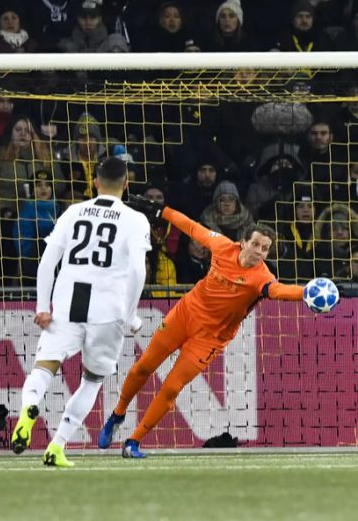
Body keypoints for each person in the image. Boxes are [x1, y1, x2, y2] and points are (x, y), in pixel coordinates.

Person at [98, 195, 306, 458]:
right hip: (184, 316)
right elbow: (191, 226)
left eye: (265, 249)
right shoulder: (221, 246)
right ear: (243, 242)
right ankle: (117, 414)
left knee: (172, 388)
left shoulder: (262, 278)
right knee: (144, 366)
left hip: (210, 339)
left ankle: (134, 441)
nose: (259, 252)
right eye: (255, 244)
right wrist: (163, 210)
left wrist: (306, 293)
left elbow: (278, 291)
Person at [10, 157, 150, 467]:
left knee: (44, 365)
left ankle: (30, 406)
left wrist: (42, 307)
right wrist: (130, 314)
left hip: (68, 301)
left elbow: (47, 263)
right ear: (126, 184)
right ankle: (57, 446)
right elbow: (138, 272)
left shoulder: (73, 212)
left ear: (96, 182)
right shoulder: (135, 219)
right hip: (108, 308)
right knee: (92, 380)